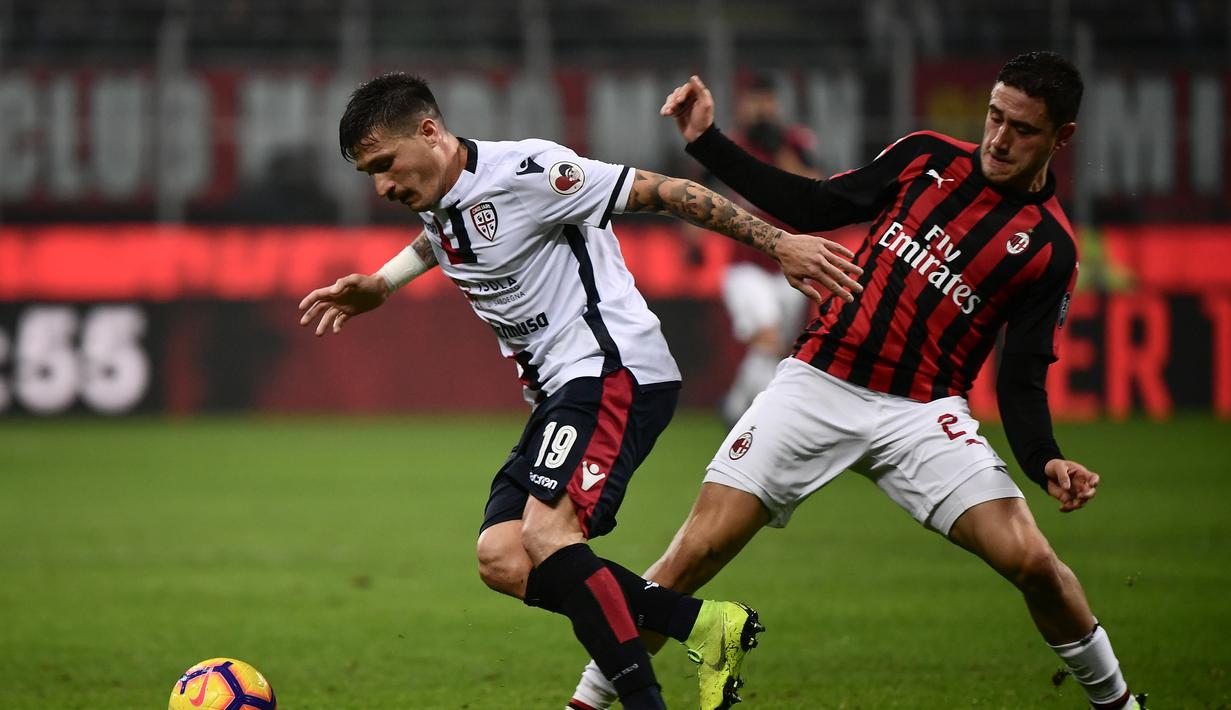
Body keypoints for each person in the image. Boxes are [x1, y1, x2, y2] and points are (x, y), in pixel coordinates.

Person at [567, 51, 1146, 710]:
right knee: (692, 554)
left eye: (1023, 128)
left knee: (1035, 563)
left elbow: (1021, 377)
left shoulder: (1050, 248)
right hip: (817, 383)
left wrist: (1044, 459)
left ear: (1061, 137)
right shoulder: (926, 156)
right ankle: (584, 704)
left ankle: (1120, 704)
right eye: (994, 117)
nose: (999, 138)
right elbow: (815, 204)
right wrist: (708, 142)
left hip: (922, 415)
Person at [297, 72, 863, 710]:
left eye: (384, 165)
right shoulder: (438, 192)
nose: (381, 187)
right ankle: (702, 625)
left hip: (611, 369)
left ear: (429, 132)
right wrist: (382, 283)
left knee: (547, 535)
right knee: (502, 556)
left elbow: (667, 191)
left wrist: (779, 242)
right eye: (368, 174)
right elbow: (445, 233)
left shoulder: (531, 173)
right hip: (558, 393)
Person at [716, 72, 822, 427]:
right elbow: (704, 189)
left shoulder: (795, 142)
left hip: (789, 265)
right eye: (755, 101)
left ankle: (734, 405)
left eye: (767, 100)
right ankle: (761, 420)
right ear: (744, 105)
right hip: (745, 264)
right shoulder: (732, 145)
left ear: (777, 104)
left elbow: (814, 186)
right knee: (768, 335)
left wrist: (780, 151)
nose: (761, 108)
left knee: (774, 348)